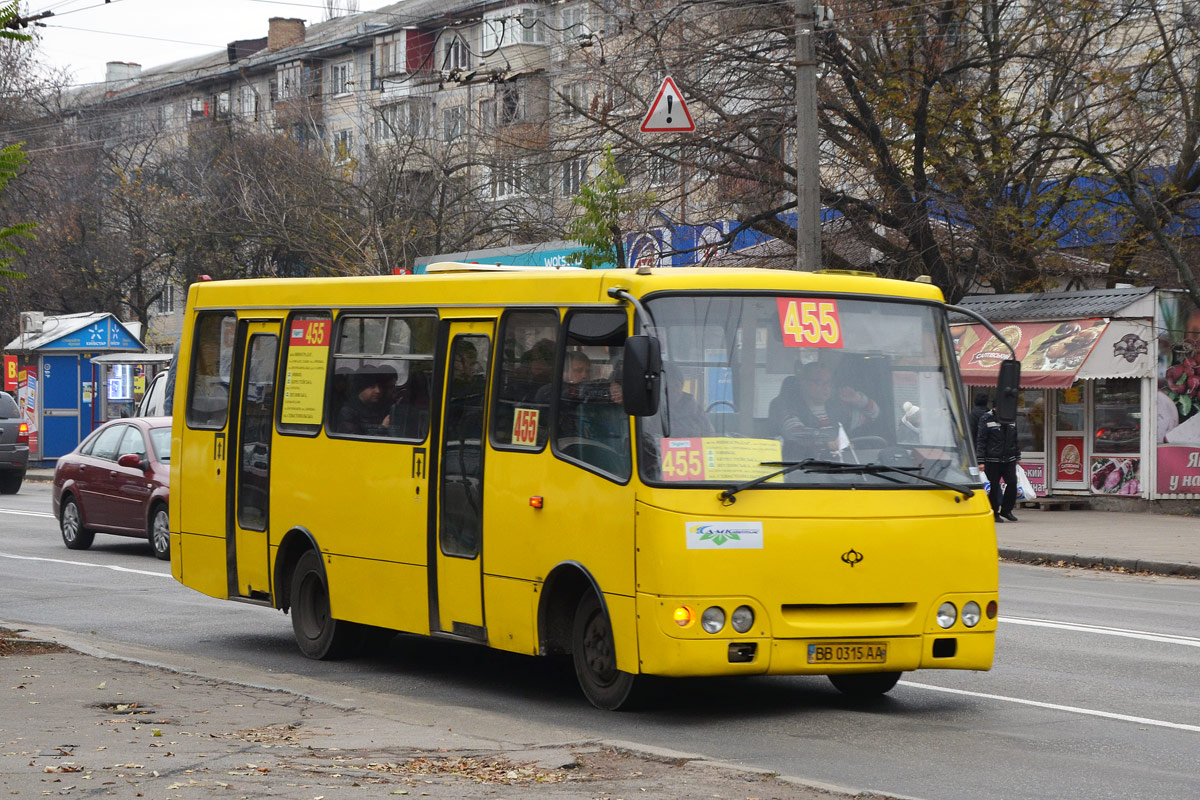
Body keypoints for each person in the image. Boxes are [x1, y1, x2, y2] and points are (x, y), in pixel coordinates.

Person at [770, 362, 879, 458]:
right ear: (803, 383)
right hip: (801, 471)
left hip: (839, 471)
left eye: (828, 383)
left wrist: (858, 399)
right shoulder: (785, 406)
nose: (826, 387)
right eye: (819, 382)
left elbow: (873, 415)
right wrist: (826, 439)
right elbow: (794, 432)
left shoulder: (838, 409)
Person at [976, 404, 1021, 522]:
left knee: (1012, 483)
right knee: (994, 487)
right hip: (992, 459)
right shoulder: (986, 418)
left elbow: (1015, 438)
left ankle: (1006, 510)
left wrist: (1017, 455)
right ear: (995, 408)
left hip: (1009, 458)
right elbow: (981, 440)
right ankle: (994, 512)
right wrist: (980, 460)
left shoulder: (1011, 418)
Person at [335, 365, 396, 435]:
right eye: (372, 386)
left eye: (380, 386)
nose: (378, 391)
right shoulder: (348, 411)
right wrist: (382, 428)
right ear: (361, 388)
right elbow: (354, 439)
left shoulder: (381, 406)